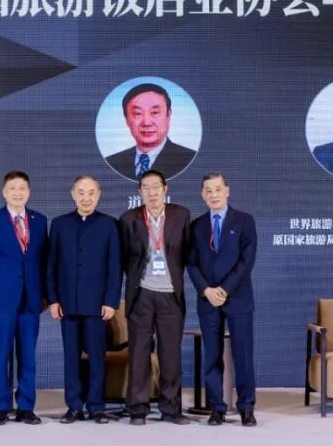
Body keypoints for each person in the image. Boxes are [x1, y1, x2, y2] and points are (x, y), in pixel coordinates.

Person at [118, 169, 191, 425]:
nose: (151, 192)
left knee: (170, 355)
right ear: (139, 192)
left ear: (165, 189)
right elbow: (124, 259)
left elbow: (186, 253)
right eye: (146, 188)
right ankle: (138, 409)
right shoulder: (128, 219)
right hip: (142, 294)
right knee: (139, 353)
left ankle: (171, 409)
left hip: (171, 295)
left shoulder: (181, 215)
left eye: (156, 187)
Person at [46, 175, 121, 425]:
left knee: (97, 357)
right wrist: (53, 300)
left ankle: (96, 406)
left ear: (98, 195)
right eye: (81, 192)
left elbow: (115, 267)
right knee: (71, 357)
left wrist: (111, 301)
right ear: (73, 194)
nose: (86, 198)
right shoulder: (60, 224)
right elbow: (51, 266)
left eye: (91, 193)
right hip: (67, 304)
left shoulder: (109, 224)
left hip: (97, 305)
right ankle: (74, 406)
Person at [0, 171, 48, 425]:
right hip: (1, 300)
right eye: (13, 188)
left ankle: (26, 407)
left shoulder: (40, 220)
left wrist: (45, 295)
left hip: (32, 300)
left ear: (28, 192)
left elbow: (44, 261)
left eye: (22, 188)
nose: (18, 192)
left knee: (28, 356)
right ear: (4, 192)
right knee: (0, 355)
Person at [186, 173, 258, 427]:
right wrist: (206, 290)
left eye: (218, 189)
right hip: (208, 301)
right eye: (208, 190)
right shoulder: (196, 226)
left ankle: (246, 407)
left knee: (243, 356)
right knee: (212, 356)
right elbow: (191, 263)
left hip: (237, 298)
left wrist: (224, 289)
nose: (213, 194)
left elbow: (246, 261)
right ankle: (217, 408)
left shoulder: (244, 221)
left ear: (227, 191)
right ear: (202, 195)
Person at [104, 83, 196, 180]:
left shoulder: (189, 160)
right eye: (138, 113)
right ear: (126, 119)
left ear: (168, 115)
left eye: (155, 112)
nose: (147, 123)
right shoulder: (112, 163)